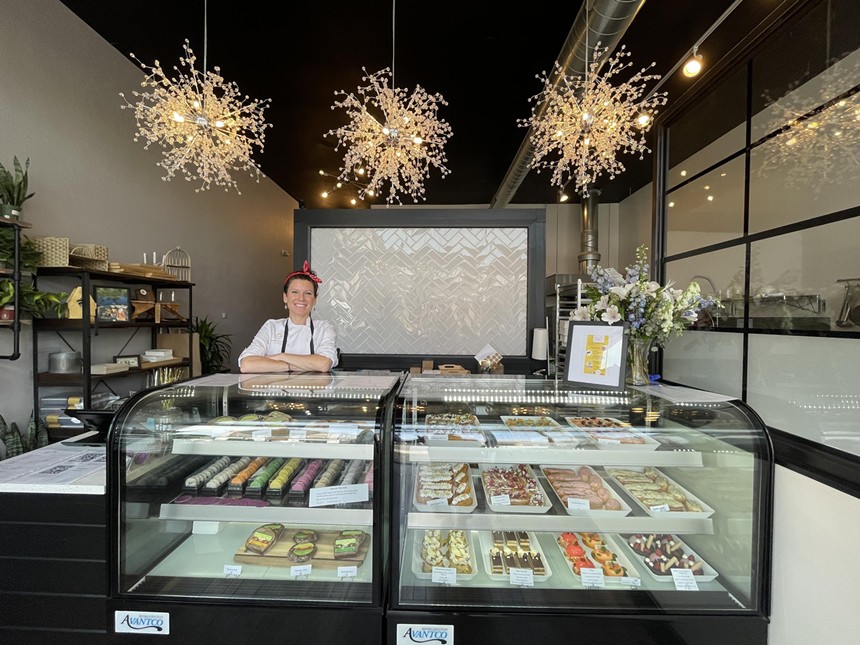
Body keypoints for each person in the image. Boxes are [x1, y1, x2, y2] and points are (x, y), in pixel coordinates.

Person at [238, 260, 338, 373]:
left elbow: (323, 364)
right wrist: (292, 366)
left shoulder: (324, 328)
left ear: (315, 300)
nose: (301, 298)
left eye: (308, 293)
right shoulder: (271, 327)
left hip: (312, 389)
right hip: (276, 390)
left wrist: (281, 356)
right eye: (295, 292)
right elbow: (247, 365)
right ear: (285, 297)